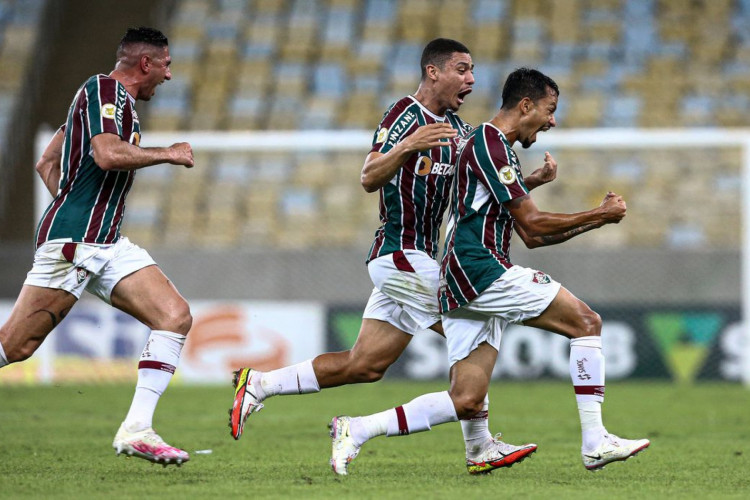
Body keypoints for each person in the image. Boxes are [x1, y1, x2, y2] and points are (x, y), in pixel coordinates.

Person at [230, 39, 556, 475]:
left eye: (473, 70)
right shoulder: (404, 115)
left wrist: (527, 183)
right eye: (462, 69)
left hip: (423, 261)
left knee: (365, 365)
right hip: (399, 254)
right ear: (433, 71)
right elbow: (368, 176)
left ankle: (260, 384)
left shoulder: (459, 131)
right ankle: (477, 447)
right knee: (475, 322)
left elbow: (475, 196)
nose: (472, 80)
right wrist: (407, 146)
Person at [329, 68, 650, 474]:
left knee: (466, 398)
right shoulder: (488, 142)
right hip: (481, 270)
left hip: (463, 277)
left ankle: (356, 429)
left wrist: (578, 210)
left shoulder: (492, 147)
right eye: (550, 110)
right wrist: (599, 215)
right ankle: (595, 441)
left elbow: (527, 233)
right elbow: (533, 227)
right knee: (586, 322)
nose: (552, 121)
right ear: (526, 105)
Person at [0, 27, 194, 466]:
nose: (168, 76)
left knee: (174, 315)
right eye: (165, 65)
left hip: (104, 242)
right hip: (77, 242)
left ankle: (137, 429)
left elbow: (46, 161)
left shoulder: (105, 103)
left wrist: (76, 208)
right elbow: (107, 154)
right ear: (146, 63)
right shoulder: (103, 89)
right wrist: (169, 153)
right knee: (14, 347)